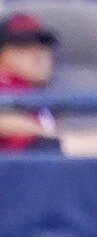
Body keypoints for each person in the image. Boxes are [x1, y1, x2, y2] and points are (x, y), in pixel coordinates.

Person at [0, 10, 62, 153]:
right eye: (23, 46)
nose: (37, 53)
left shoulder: (43, 95)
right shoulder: (4, 84)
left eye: (43, 44)